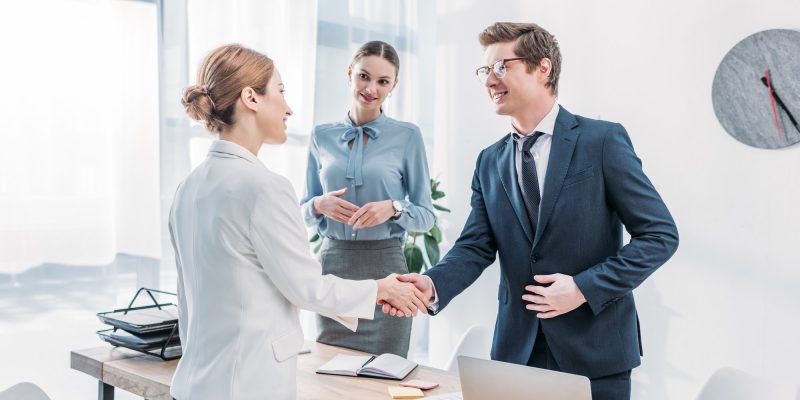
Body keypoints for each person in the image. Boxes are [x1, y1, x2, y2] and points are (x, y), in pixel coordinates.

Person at [384, 22, 679, 400]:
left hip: (596, 352)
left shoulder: (602, 141)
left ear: (543, 68)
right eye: (484, 71)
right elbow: (476, 246)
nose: (490, 80)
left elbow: (660, 235)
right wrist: (434, 284)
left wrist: (583, 288)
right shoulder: (489, 161)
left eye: (501, 67)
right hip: (516, 352)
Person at [169, 44, 428, 400]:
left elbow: (189, 300)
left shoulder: (187, 187)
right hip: (249, 384)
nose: (289, 108)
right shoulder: (265, 187)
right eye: (281, 91)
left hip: (195, 384)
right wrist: (381, 289)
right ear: (251, 98)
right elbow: (307, 288)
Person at [300, 41, 435, 357]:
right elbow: (302, 209)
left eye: (383, 81)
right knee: (329, 373)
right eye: (363, 76)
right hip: (334, 269)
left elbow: (426, 214)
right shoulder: (321, 136)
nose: (371, 88)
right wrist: (319, 205)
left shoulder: (408, 136)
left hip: (387, 268)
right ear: (350, 74)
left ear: (394, 86)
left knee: (386, 375)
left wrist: (393, 207)